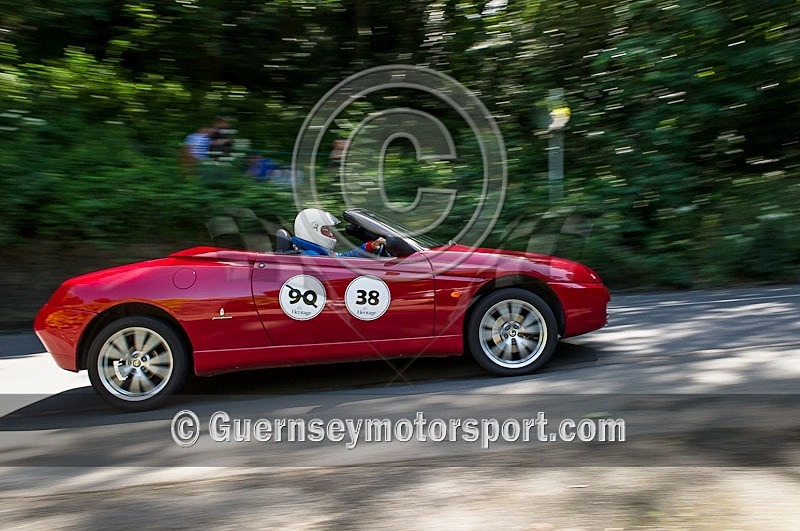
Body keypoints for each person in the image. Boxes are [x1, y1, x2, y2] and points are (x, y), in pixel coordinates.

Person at [292, 208, 386, 257]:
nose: (331, 235)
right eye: (326, 230)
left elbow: (344, 257)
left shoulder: (321, 253)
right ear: (313, 230)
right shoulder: (311, 256)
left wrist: (370, 246)